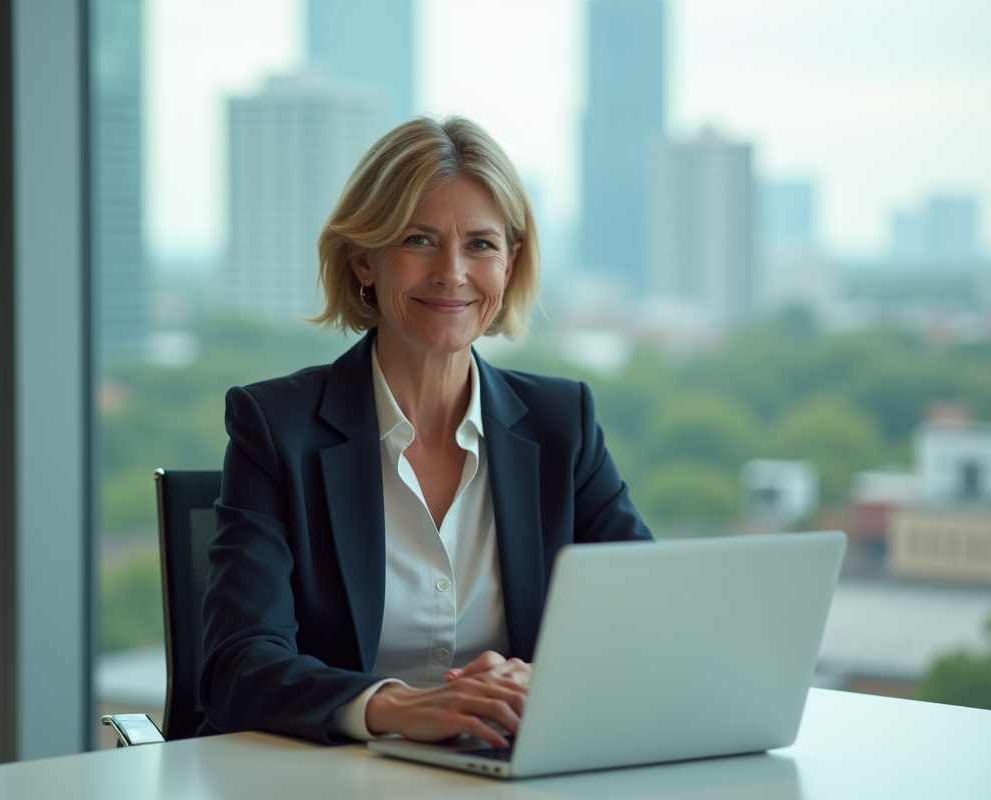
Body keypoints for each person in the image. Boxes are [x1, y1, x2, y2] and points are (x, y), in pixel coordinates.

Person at [199, 116, 653, 747]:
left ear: (511, 263)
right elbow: (237, 666)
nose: (452, 273)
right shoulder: (276, 428)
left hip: (507, 772)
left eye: (482, 245)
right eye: (418, 240)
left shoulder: (562, 425)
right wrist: (398, 706)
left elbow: (648, 619)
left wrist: (531, 687)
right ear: (363, 260)